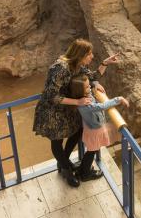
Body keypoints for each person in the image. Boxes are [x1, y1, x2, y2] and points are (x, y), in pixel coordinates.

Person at [32, 39, 119, 187]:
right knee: (57, 141)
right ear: (80, 55)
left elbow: (91, 77)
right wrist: (78, 102)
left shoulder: (78, 66)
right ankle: (66, 169)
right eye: (89, 54)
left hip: (69, 108)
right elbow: (51, 96)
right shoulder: (60, 68)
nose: (91, 57)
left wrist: (104, 64)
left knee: (77, 131)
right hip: (54, 111)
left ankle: (63, 162)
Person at [69, 74, 129, 181]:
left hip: (90, 128)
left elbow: (94, 96)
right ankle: (85, 174)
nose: (90, 88)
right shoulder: (85, 103)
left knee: (91, 151)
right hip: (94, 131)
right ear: (80, 91)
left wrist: (95, 85)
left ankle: (83, 169)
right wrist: (118, 99)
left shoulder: (85, 96)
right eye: (87, 87)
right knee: (91, 152)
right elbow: (101, 106)